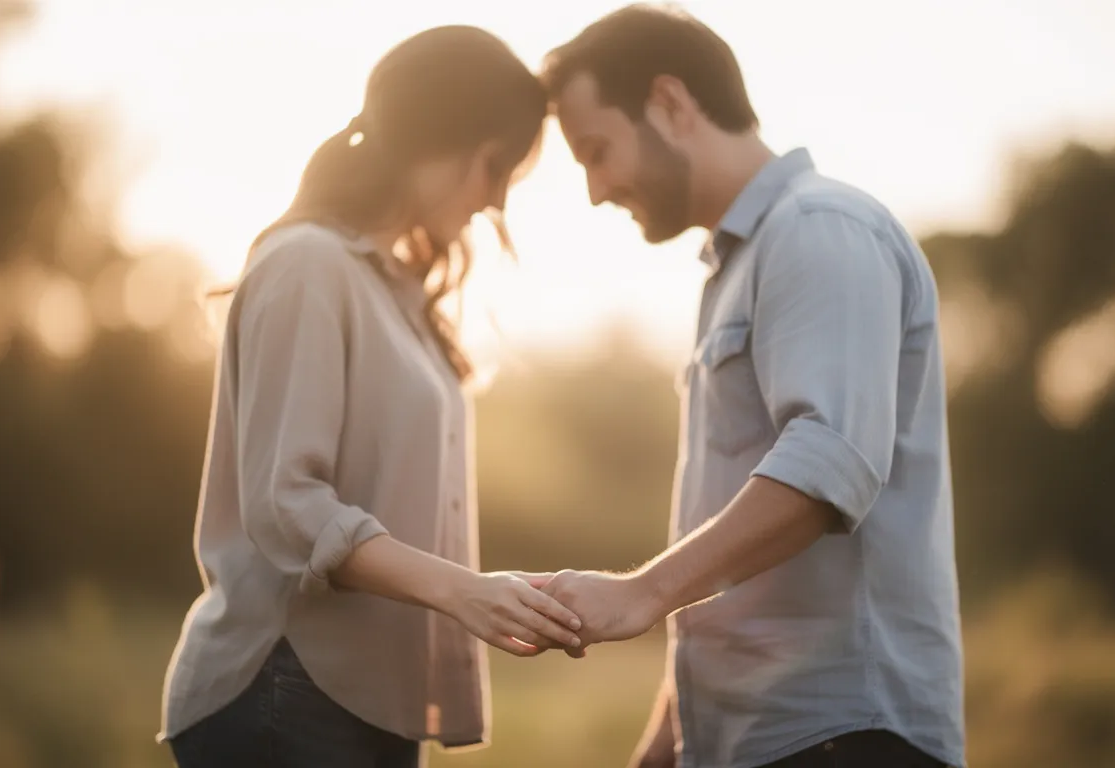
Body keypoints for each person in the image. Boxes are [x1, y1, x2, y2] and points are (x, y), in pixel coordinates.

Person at [524, 5, 966, 768]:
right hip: (754, 742)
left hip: (844, 738)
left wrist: (639, 594)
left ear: (670, 103)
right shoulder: (736, 268)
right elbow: (737, 570)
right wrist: (664, 746)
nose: (595, 190)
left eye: (597, 151)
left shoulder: (819, 227)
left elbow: (828, 465)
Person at [158, 25, 584, 768]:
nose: (494, 200)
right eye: (494, 167)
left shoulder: (394, 290)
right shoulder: (307, 265)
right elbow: (286, 503)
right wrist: (464, 592)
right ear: (441, 137)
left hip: (362, 702)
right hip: (286, 691)